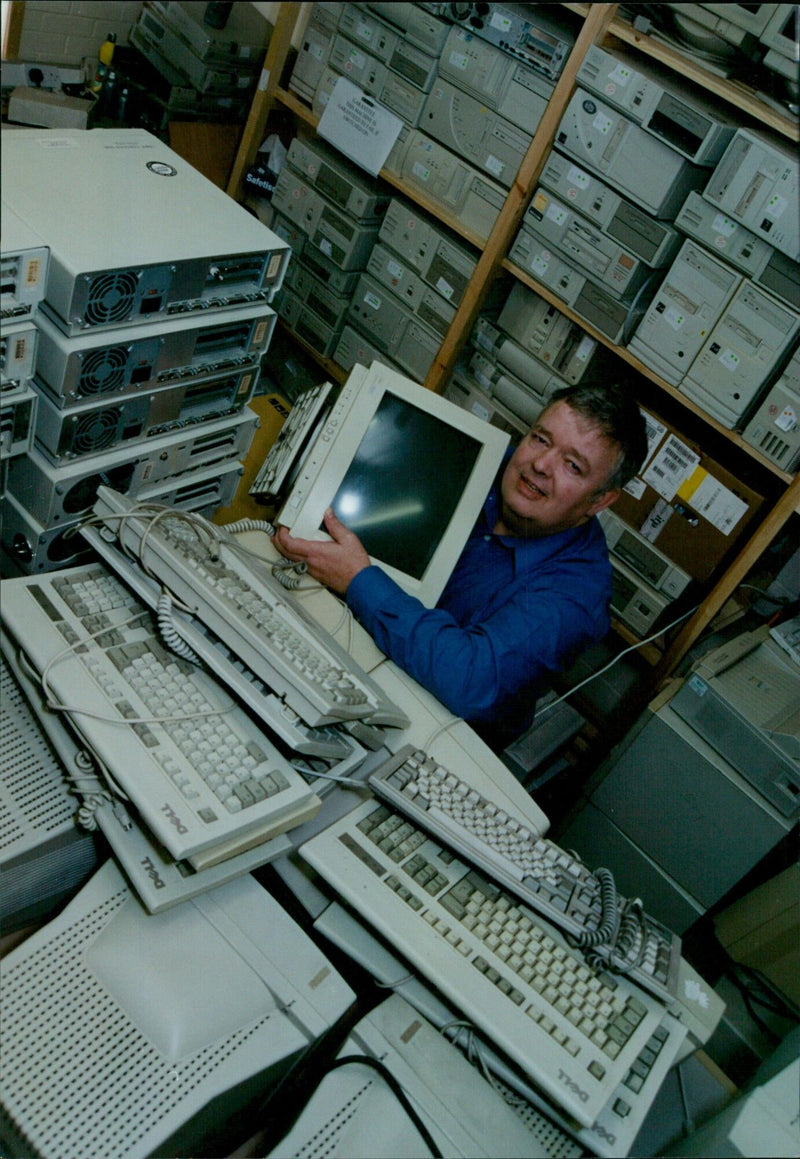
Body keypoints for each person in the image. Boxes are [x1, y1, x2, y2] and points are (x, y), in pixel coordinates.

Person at [274, 381, 649, 751]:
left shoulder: (576, 595)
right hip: (351, 645)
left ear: (600, 500)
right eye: (541, 439)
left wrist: (359, 580)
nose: (540, 464)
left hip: (428, 733)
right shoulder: (483, 459)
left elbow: (469, 679)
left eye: (572, 465)